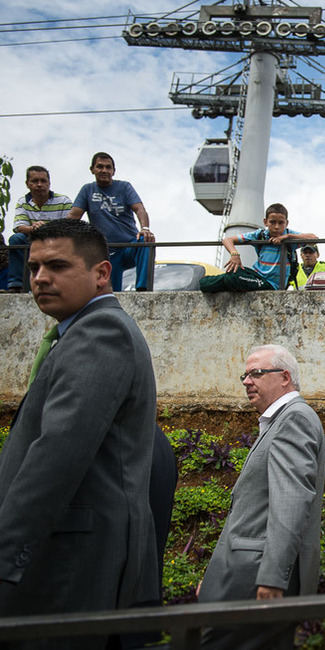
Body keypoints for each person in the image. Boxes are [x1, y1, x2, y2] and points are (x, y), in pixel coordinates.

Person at [0, 219, 157, 649]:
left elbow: (57, 455)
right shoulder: (74, 334)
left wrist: (4, 552)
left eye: (57, 265)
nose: (40, 278)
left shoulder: (99, 331)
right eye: (33, 268)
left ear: (101, 273)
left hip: (70, 564)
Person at [197, 344, 325, 650]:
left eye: (256, 373)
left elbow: (291, 502)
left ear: (284, 377)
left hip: (256, 581)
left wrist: (272, 578)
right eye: (245, 375)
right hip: (245, 578)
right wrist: (215, 578)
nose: (246, 381)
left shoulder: (294, 419)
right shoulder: (281, 422)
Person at [67, 152, 155, 291]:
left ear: (113, 171)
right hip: (106, 251)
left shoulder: (124, 187)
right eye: (100, 167)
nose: (104, 170)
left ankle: (142, 289)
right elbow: (73, 216)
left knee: (146, 240)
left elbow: (140, 209)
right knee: (112, 292)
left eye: (108, 167)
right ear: (92, 170)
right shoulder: (87, 190)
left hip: (128, 247)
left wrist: (145, 228)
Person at [199, 203, 317, 292]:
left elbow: (314, 238)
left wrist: (286, 237)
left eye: (281, 223)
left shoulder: (290, 237)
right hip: (257, 275)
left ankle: (213, 282)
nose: (276, 227)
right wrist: (234, 254)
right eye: (272, 222)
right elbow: (227, 240)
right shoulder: (260, 235)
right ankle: (207, 283)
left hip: (271, 285)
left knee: (233, 278)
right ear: (265, 222)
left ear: (286, 223)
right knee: (232, 272)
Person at [6, 165, 73, 293]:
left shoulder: (63, 201)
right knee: (16, 239)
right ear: (27, 184)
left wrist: (47, 229)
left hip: (57, 242)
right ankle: (16, 284)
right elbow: (19, 227)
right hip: (32, 242)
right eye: (35, 181)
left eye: (43, 181)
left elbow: (70, 226)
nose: (39, 184)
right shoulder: (23, 202)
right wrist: (33, 228)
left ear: (49, 183)